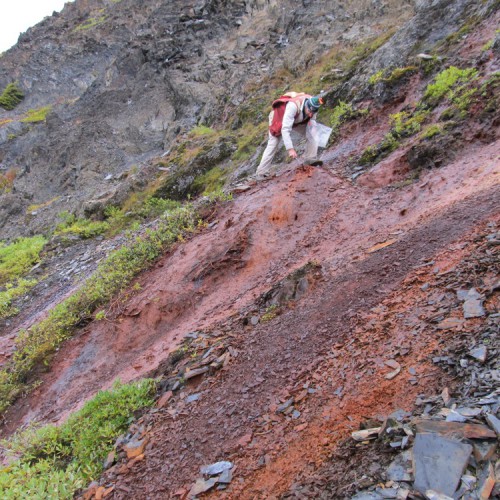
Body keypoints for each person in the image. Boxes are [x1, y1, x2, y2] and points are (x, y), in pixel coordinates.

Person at [255, 93, 324, 178]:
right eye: (309, 111)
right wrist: (290, 149)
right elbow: (285, 129)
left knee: (313, 133)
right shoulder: (293, 106)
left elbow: (312, 121)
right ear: (306, 106)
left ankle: (310, 159)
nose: (310, 114)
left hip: (297, 120)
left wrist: (313, 131)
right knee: (273, 143)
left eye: (313, 113)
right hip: (279, 118)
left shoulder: (314, 105)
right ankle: (261, 172)